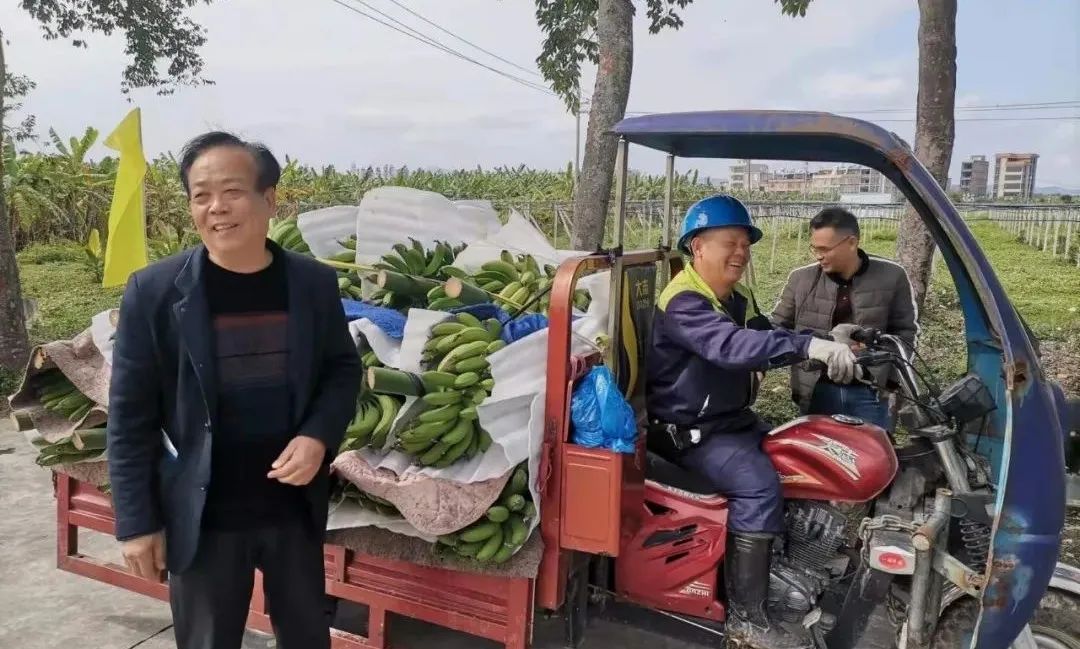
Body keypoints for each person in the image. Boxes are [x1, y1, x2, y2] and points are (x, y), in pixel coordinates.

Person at [106, 131, 362, 649]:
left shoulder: (311, 285)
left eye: (232, 191)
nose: (216, 208)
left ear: (269, 200)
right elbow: (129, 418)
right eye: (201, 195)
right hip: (205, 520)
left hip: (292, 512)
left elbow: (341, 369)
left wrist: (317, 436)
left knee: (308, 639)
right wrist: (135, 523)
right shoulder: (154, 292)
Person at [646, 195, 856, 649]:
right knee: (759, 484)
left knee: (805, 455)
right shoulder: (684, 301)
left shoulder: (735, 295)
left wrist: (824, 339)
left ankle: (790, 564)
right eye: (730, 242)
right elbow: (730, 346)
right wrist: (807, 351)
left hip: (730, 422)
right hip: (691, 434)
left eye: (746, 243)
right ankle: (748, 619)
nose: (741, 252)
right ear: (698, 246)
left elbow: (762, 332)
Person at [771, 207, 918, 430]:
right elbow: (777, 329)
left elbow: (905, 333)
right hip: (816, 389)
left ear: (851, 242)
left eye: (825, 249)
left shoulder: (891, 276)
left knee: (873, 456)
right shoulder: (801, 279)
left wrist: (887, 379)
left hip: (869, 391)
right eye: (814, 248)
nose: (818, 255)